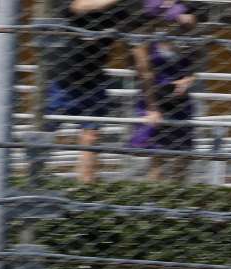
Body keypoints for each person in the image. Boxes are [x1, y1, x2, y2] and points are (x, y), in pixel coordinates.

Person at [48, 0, 149, 184]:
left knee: (91, 137)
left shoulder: (118, 11)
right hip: (62, 79)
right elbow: (80, 7)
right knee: (46, 131)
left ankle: (85, 187)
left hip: (94, 81)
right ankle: (37, 175)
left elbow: (134, 34)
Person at [129, 0, 201, 183]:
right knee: (156, 158)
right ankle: (155, 203)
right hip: (153, 97)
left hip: (181, 100)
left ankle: (176, 201)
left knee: (183, 157)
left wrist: (188, 79)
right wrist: (152, 108)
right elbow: (144, 74)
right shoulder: (143, 35)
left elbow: (197, 64)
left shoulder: (187, 34)